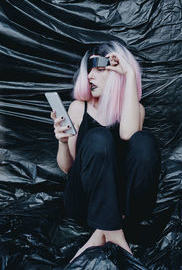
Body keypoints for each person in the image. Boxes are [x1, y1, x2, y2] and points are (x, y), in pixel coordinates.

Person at [51, 41, 161, 262]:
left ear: (116, 74)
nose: (90, 76)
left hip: (122, 205)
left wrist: (129, 74)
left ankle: (103, 232)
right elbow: (67, 167)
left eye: (99, 70)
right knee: (98, 138)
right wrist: (63, 142)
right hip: (84, 202)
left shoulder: (135, 109)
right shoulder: (78, 107)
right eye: (89, 70)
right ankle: (113, 233)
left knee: (144, 141)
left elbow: (129, 135)